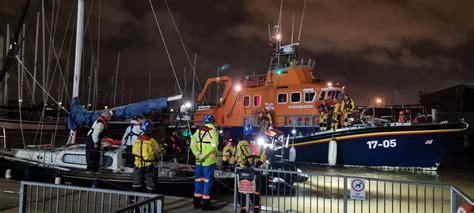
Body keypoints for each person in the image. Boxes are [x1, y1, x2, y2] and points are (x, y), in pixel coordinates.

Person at [190, 114, 219, 210]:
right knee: (208, 182)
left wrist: (198, 154)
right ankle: (206, 205)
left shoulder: (198, 131)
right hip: (209, 161)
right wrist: (204, 155)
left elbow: (192, 145)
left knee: (198, 180)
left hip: (198, 161)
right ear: (213, 121)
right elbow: (214, 146)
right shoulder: (213, 131)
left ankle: (196, 203)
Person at [235, 136, 267, 213]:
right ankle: (255, 208)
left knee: (243, 189)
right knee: (255, 190)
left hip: (244, 171)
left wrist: (248, 165)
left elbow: (239, 157)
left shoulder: (241, 144)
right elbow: (264, 156)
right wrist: (256, 165)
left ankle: (244, 208)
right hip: (255, 171)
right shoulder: (260, 144)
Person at [131, 120, 161, 193]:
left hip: (138, 165)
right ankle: (149, 201)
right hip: (150, 166)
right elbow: (158, 151)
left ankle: (132, 201)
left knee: (136, 184)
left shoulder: (137, 140)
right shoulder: (152, 141)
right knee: (151, 185)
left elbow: (133, 151)